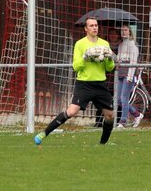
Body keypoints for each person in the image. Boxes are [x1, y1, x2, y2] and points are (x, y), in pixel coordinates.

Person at [34, 17, 116, 145]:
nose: (95, 28)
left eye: (96, 25)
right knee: (71, 111)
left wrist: (110, 58)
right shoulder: (80, 44)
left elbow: (109, 68)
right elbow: (76, 67)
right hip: (84, 84)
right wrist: (85, 57)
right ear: (86, 29)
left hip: (100, 84)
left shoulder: (104, 44)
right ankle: (44, 133)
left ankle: (103, 144)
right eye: (91, 26)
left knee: (110, 116)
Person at [116, 24, 144, 128]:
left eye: (125, 30)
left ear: (129, 32)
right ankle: (137, 115)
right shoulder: (120, 45)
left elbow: (133, 62)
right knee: (118, 99)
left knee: (124, 98)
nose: (123, 32)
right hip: (120, 74)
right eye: (122, 30)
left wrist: (130, 77)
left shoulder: (133, 45)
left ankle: (122, 122)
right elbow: (118, 59)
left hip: (128, 75)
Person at [94, 27, 122, 127]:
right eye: (111, 34)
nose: (113, 36)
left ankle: (117, 121)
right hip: (106, 76)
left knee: (117, 100)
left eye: (115, 33)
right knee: (102, 99)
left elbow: (120, 59)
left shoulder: (121, 46)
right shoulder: (104, 45)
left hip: (118, 75)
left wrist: (113, 56)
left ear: (118, 35)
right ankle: (98, 121)